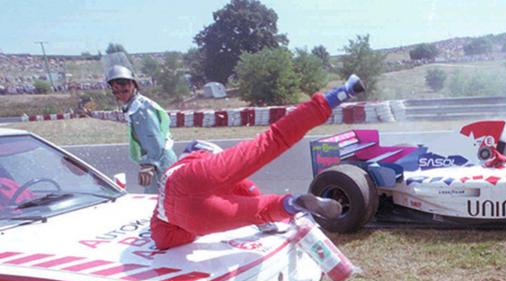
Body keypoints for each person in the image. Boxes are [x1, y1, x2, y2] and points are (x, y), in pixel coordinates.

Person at [149, 75, 364, 250]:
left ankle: (293, 203)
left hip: (188, 217)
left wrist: (190, 231)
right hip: (194, 174)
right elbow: (248, 188)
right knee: (273, 139)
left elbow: (162, 239)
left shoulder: (160, 219)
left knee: (262, 210)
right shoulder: (195, 158)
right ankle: (341, 93)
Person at [106, 65, 177, 194]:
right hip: (156, 160)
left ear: (133, 85)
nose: (120, 94)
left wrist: (150, 164)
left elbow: (154, 138)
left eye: (124, 90)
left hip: (160, 160)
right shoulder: (133, 106)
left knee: (159, 202)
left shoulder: (142, 108)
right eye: (116, 91)